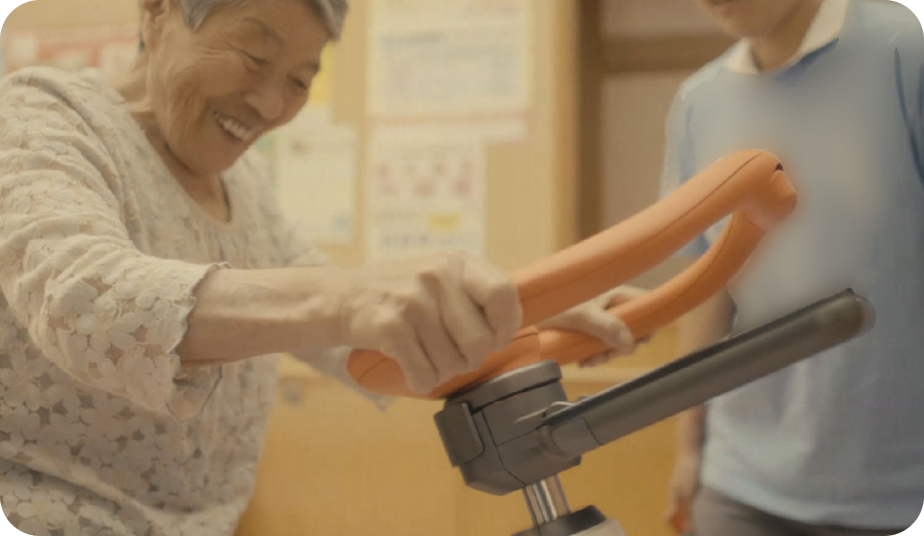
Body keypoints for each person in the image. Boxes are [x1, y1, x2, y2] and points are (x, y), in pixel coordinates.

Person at [0, 1, 644, 534]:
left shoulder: (243, 185)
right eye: (255, 57)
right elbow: (80, 299)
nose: (272, 105)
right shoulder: (39, 117)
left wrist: (528, 311)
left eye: (301, 80)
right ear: (159, 11)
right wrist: (344, 297)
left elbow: (350, 328)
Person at [660, 0, 923, 535]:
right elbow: (705, 288)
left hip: (899, 490)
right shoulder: (697, 103)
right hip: (740, 483)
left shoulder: (905, 49)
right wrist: (690, 448)